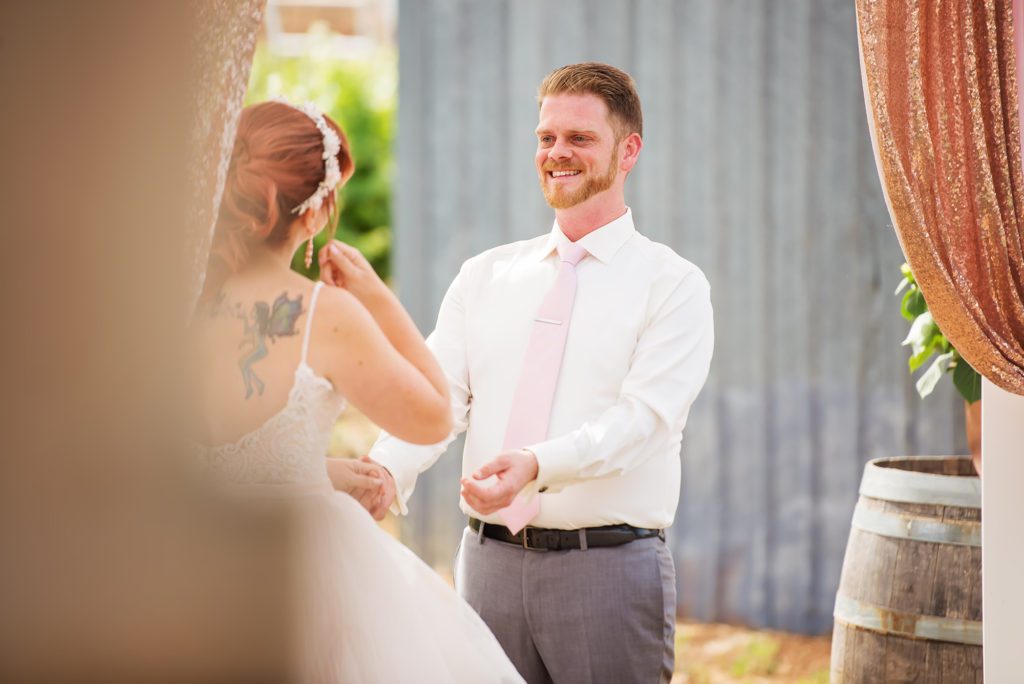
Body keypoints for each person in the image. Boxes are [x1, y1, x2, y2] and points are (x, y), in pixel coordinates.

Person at [368, 62, 715, 683]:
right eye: (546, 137)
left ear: (628, 150)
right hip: (487, 565)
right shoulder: (485, 276)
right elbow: (436, 393)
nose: (558, 153)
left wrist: (535, 464)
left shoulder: (673, 286)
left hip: (607, 571)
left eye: (580, 138)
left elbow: (644, 423)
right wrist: (385, 471)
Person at [189, 99, 523, 683]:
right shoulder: (324, 312)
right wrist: (378, 299)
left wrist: (316, 470)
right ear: (315, 212)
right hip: (299, 577)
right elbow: (433, 415)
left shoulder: (180, 305)